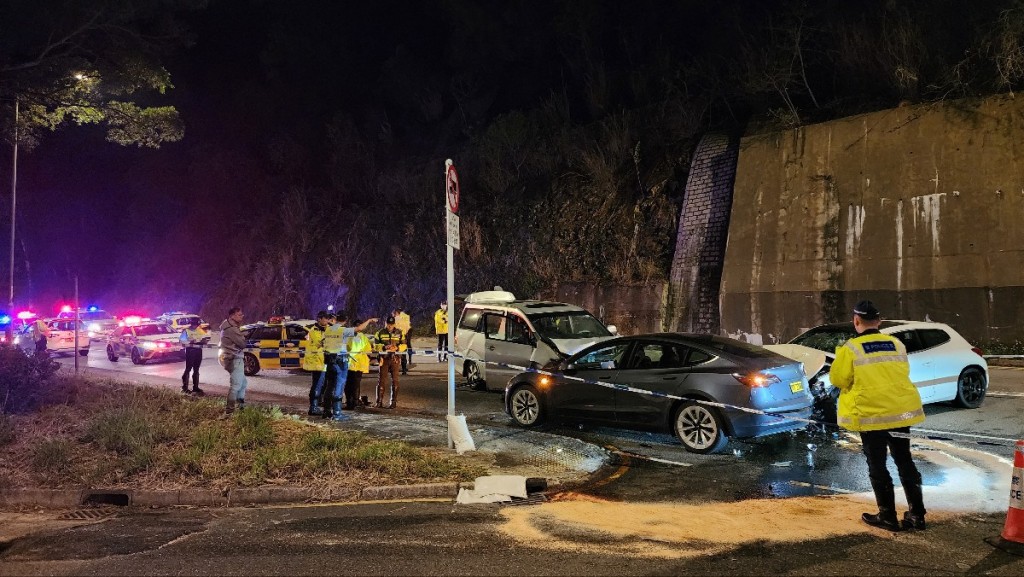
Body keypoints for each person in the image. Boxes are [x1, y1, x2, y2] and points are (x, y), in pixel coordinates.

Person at [829, 300, 927, 532]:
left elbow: (838, 380)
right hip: (900, 413)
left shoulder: (851, 348)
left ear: (856, 321)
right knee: (905, 460)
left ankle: (887, 516)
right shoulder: (896, 344)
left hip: (871, 415)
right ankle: (917, 515)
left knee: (878, 465)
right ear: (879, 321)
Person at [322, 312, 377, 420]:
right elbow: (359, 329)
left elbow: (322, 342)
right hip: (340, 360)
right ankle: (337, 413)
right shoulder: (343, 330)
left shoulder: (328, 330)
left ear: (336, 319)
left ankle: (327, 411)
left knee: (329, 386)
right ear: (346, 320)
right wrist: (369, 320)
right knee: (339, 386)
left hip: (329, 360)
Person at [219, 307, 248, 415]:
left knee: (243, 383)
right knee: (236, 385)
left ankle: (241, 407)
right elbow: (242, 344)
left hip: (231, 358)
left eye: (242, 314)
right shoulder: (232, 329)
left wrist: (241, 336)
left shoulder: (227, 325)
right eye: (239, 315)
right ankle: (229, 411)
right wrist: (243, 337)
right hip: (234, 358)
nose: (242, 316)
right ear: (232, 316)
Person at [374, 316, 406, 408]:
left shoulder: (400, 332)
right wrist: (384, 347)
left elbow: (404, 345)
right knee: (381, 380)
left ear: (394, 324)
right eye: (388, 324)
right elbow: (375, 346)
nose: (390, 326)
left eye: (391, 325)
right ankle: (379, 402)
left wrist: (398, 348)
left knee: (395, 380)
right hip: (384, 358)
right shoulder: (379, 333)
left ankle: (393, 403)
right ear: (385, 323)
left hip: (395, 359)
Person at [303, 311, 330, 415]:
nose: (327, 321)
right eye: (325, 319)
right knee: (317, 384)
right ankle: (313, 407)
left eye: (328, 319)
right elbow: (321, 343)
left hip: (322, 361)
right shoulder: (314, 330)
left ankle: (316, 405)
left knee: (320, 384)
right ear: (319, 319)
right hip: (316, 361)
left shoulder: (324, 329)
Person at [345, 319, 373, 410]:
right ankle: (355, 402)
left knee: (348, 384)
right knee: (356, 384)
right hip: (358, 364)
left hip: (349, 363)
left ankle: (349, 402)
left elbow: (345, 348)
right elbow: (368, 350)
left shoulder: (348, 336)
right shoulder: (363, 337)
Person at [180, 317, 208, 395]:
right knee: (188, 368)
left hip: (198, 351)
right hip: (190, 351)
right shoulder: (186, 331)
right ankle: (185, 387)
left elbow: (205, 339)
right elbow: (182, 341)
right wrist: (190, 341)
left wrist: (204, 341)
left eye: (196, 324)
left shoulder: (200, 330)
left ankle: (195, 387)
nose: (195, 326)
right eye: (194, 324)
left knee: (196, 369)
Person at [394, 307, 412, 374]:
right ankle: (404, 369)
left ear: (396, 313)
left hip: (396, 337)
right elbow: (408, 327)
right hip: (404, 336)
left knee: (395, 354)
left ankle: (395, 369)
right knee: (404, 353)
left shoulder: (395, 319)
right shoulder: (406, 317)